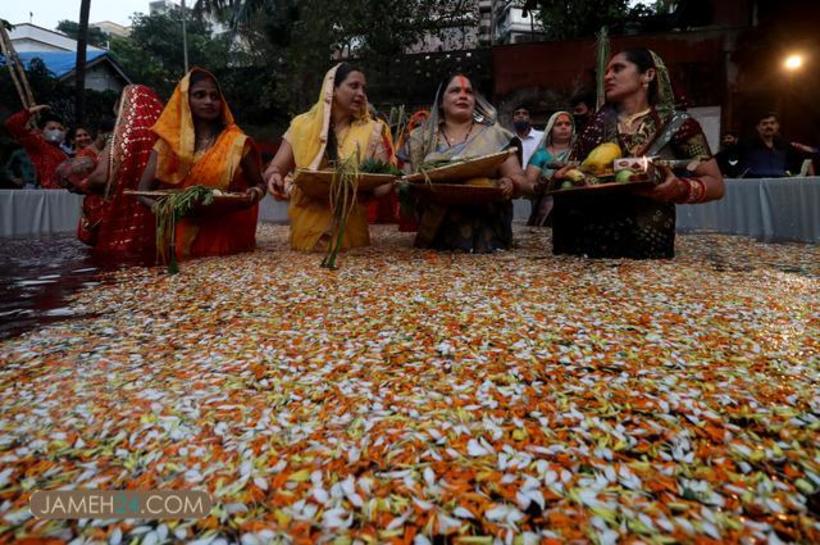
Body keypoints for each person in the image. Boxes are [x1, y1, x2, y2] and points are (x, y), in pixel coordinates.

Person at [551, 48, 724, 259]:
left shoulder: (678, 125)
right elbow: (573, 171)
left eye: (618, 68)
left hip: (648, 242)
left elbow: (716, 184)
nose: (607, 76)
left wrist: (680, 188)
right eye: (606, 72)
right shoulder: (596, 125)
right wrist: (561, 178)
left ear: (648, 75)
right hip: (591, 244)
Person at [264, 63, 395, 252]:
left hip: (350, 234)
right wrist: (274, 177)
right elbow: (275, 168)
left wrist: (377, 185)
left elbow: (383, 183)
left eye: (363, 88)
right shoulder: (301, 126)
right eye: (353, 86)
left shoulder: (373, 130)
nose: (361, 93)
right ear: (332, 89)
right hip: (306, 231)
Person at [139, 68, 266, 260]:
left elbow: (260, 184)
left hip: (226, 238)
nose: (209, 101)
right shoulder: (167, 146)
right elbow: (142, 192)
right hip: (178, 239)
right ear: (185, 100)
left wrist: (254, 193)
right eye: (200, 95)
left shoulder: (237, 143)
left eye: (215, 96)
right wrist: (167, 210)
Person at [400, 73, 529, 253]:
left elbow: (522, 182)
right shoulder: (419, 139)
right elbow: (405, 184)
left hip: (487, 242)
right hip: (434, 242)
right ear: (441, 101)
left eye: (468, 92)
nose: (463, 95)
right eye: (455, 91)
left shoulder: (496, 136)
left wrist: (511, 183)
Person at [526, 111, 575, 226]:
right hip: (546, 212)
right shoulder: (540, 155)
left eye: (568, 124)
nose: (564, 127)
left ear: (573, 128)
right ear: (550, 129)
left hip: (575, 209)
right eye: (559, 124)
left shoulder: (579, 152)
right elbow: (528, 185)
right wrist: (546, 182)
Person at [4, 106, 68, 188]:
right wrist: (32, 110)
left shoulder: (64, 154)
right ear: (41, 132)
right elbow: (12, 124)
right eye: (52, 128)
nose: (57, 132)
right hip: (41, 193)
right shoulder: (37, 143)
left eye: (60, 129)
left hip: (60, 194)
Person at [740, 112, 815, 177]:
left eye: (772, 123)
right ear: (758, 127)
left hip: (779, 185)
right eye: (764, 123)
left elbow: (802, 163)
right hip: (755, 184)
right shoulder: (747, 145)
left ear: (777, 126)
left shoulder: (785, 146)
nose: (769, 126)